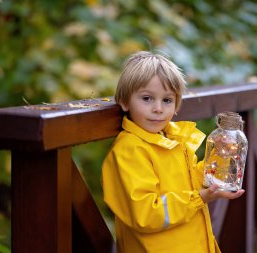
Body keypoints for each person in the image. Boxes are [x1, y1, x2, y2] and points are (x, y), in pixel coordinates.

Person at [102, 51, 245, 253]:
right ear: (125, 102)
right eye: (147, 98)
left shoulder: (171, 140)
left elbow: (186, 183)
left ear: (177, 104)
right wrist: (200, 198)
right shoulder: (130, 150)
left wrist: (215, 164)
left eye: (167, 100)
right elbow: (145, 214)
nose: (158, 108)